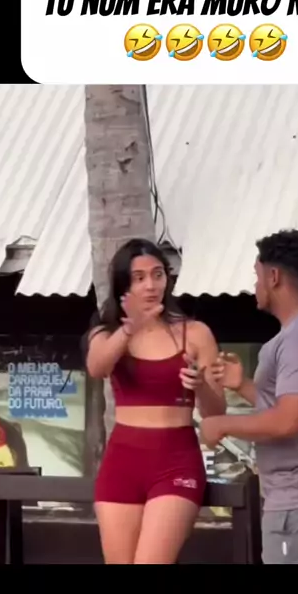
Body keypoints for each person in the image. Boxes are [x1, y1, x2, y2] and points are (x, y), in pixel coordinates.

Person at [201, 228, 298, 565]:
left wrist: (221, 424)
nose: (254, 285)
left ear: (273, 277)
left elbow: (290, 420)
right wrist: (243, 385)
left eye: (257, 275)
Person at [85, 238, 226, 564]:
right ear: (124, 285)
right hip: (122, 462)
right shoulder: (106, 332)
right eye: (139, 278)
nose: (150, 285)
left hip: (175, 460)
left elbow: (216, 412)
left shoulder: (195, 332)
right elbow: (97, 367)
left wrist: (201, 386)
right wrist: (130, 328)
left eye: (157, 274)